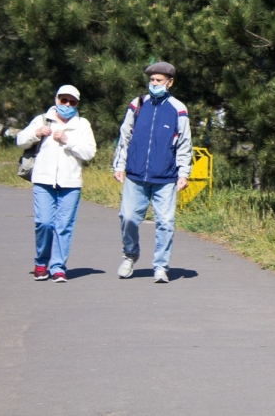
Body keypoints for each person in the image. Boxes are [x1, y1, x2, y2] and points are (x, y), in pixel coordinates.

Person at [112, 61, 192, 283]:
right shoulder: (137, 105)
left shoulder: (178, 109)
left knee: (166, 222)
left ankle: (160, 266)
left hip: (165, 177)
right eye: (152, 80)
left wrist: (184, 173)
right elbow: (124, 136)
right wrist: (119, 166)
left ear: (170, 82)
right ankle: (130, 254)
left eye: (159, 80)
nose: (154, 84)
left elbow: (184, 144)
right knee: (127, 217)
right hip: (136, 175)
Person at [16, 85, 97, 283]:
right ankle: (41, 262)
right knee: (44, 223)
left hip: (70, 182)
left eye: (72, 102)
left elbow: (89, 153)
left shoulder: (82, 124)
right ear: (56, 100)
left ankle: (58, 267)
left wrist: (67, 140)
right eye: (64, 100)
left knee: (64, 226)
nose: (67, 105)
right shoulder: (42, 119)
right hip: (43, 180)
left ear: (77, 104)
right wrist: (36, 132)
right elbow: (20, 141)